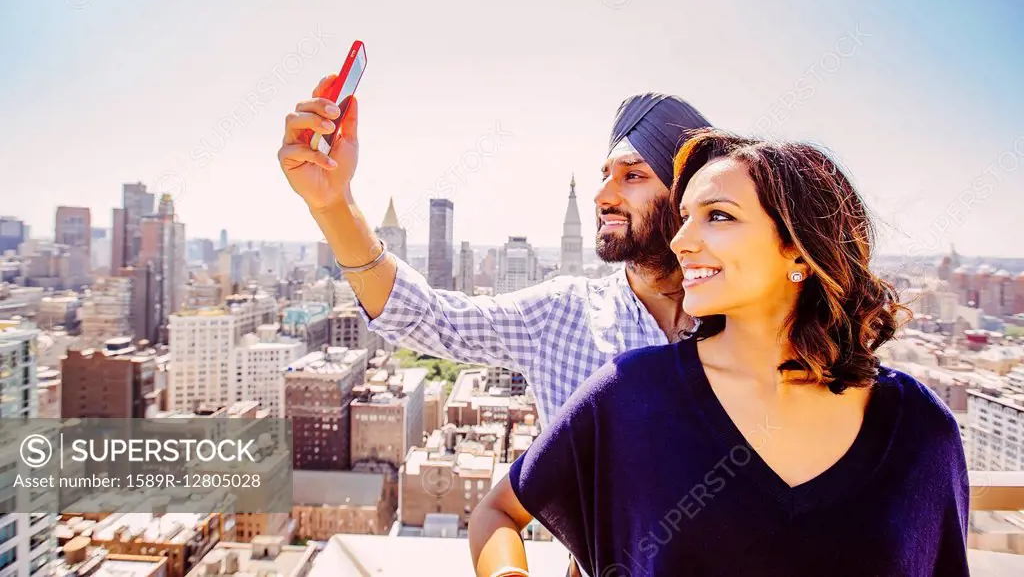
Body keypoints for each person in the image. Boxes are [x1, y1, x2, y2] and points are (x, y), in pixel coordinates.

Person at [469, 129, 970, 577]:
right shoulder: (631, 394)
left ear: (799, 248)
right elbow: (498, 511)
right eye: (684, 217)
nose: (681, 240)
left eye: (719, 216)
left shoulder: (922, 432)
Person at [277, 74, 712, 428]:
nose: (603, 195)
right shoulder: (563, 314)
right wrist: (332, 203)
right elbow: (422, 317)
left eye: (633, 176)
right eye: (605, 175)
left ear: (687, 194)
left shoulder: (754, 315)